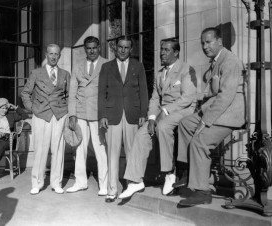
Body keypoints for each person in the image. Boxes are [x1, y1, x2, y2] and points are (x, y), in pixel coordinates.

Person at [173, 27, 246, 207]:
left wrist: (204, 122)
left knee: (200, 142)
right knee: (184, 124)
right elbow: (211, 95)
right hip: (215, 110)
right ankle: (187, 171)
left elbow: (225, 98)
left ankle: (202, 191)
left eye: (208, 42)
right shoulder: (216, 61)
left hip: (228, 115)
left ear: (219, 41)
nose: (205, 46)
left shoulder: (230, 62)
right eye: (203, 43)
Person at [118, 39, 197, 199]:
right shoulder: (160, 73)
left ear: (176, 53)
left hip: (183, 110)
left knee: (163, 127)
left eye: (166, 50)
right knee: (142, 133)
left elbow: (187, 98)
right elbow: (155, 98)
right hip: (162, 112)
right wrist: (152, 117)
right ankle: (135, 181)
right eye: (161, 49)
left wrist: (164, 112)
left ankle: (169, 173)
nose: (162, 52)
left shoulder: (186, 69)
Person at [98, 36, 149, 203]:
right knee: (112, 154)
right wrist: (102, 115)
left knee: (131, 153)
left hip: (132, 116)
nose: (122, 50)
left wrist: (143, 114)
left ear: (131, 49)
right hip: (112, 116)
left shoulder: (138, 66)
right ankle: (111, 191)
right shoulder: (106, 67)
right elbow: (101, 94)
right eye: (120, 47)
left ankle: (131, 185)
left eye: (126, 48)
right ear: (115, 47)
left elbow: (143, 93)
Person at [21, 44, 70, 195]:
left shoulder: (65, 74)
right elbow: (25, 93)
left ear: (59, 56)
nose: (54, 56)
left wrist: (65, 111)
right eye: (51, 54)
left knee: (58, 150)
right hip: (41, 115)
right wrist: (33, 109)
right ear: (46, 55)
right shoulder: (36, 73)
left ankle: (56, 183)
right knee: (40, 150)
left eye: (56, 54)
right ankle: (37, 182)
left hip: (59, 115)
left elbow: (68, 95)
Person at [66, 36, 108, 196]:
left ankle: (104, 184)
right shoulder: (78, 67)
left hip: (99, 114)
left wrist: (107, 114)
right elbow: (72, 94)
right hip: (81, 113)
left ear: (99, 48)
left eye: (94, 48)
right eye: (88, 48)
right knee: (79, 148)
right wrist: (72, 115)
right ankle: (80, 182)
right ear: (85, 49)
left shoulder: (107, 65)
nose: (91, 51)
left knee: (100, 149)